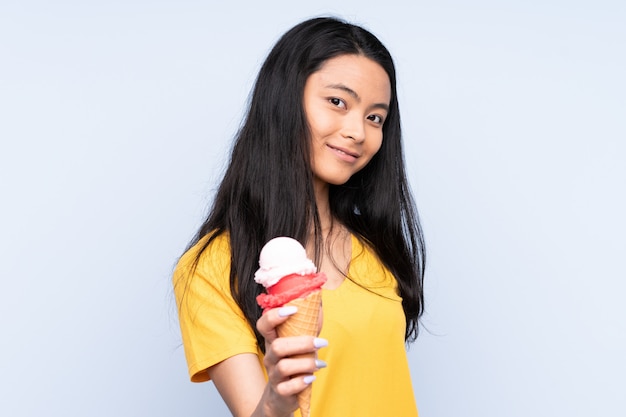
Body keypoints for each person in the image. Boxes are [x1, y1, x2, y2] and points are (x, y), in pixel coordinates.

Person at [173, 16, 426, 417]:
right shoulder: (212, 266)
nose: (358, 132)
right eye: (338, 102)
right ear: (284, 100)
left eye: (375, 117)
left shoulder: (379, 248)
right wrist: (277, 399)